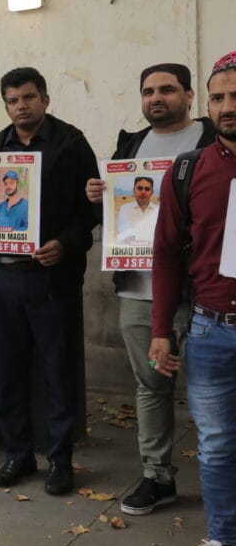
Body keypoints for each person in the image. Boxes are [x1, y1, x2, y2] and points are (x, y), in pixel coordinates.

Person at [0, 67, 98, 495]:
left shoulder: (71, 143)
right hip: (4, 280)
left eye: (29, 97)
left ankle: (60, 460)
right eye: (13, 100)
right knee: (9, 371)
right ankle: (18, 455)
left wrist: (64, 244)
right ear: (6, 105)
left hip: (53, 279)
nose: (22, 106)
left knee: (58, 371)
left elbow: (90, 208)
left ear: (45, 100)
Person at [87, 62, 215, 518]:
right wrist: (100, 196)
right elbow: (126, 218)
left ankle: (221, 480)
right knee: (150, 386)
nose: (155, 98)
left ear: (188, 95)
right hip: (139, 290)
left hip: (202, 294)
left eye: (166, 89)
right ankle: (157, 475)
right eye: (148, 91)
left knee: (213, 391)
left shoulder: (211, 139)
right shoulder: (130, 145)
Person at [150, 51, 236, 546]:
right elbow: (166, 255)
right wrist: (162, 330)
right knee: (218, 445)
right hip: (211, 331)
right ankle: (224, 543)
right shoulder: (188, 171)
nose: (228, 107)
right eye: (219, 97)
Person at [115, 177, 158, 245]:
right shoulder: (124, 209)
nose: (143, 192)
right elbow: (125, 235)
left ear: (152, 192)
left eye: (147, 189)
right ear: (134, 190)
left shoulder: (158, 210)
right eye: (139, 188)